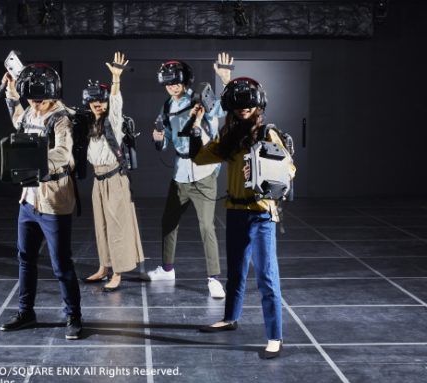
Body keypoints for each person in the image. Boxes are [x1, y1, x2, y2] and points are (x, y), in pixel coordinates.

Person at [192, 58, 296, 359]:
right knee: (236, 272)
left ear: (258, 105)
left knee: (266, 277)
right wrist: (195, 126)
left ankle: (275, 336)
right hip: (235, 212)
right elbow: (200, 157)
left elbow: (290, 170)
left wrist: (263, 168)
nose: (244, 109)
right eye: (238, 106)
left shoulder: (267, 134)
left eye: (248, 104)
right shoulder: (229, 135)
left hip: (261, 214)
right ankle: (230, 318)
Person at [0, 63, 82, 340]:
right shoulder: (31, 112)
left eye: (40, 100)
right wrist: (12, 92)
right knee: (25, 259)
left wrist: (33, 157)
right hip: (28, 200)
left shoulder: (61, 118)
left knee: (61, 264)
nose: (35, 104)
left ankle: (73, 316)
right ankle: (26, 312)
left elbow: (63, 153)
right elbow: (18, 120)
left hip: (54, 201)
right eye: (31, 99)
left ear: (52, 94)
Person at [144, 54, 232, 299]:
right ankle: (167, 269)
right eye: (168, 83)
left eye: (176, 82)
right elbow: (167, 139)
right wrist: (159, 139)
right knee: (168, 222)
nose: (172, 87)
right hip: (180, 174)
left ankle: (214, 279)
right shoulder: (166, 107)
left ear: (185, 81)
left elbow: (225, 107)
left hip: (204, 174)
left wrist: (226, 80)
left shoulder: (200, 99)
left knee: (207, 227)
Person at [81, 52, 145, 292]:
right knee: (101, 226)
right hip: (98, 180)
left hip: (114, 179)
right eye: (93, 101)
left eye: (102, 100)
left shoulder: (113, 121)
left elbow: (116, 103)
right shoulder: (91, 123)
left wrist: (116, 78)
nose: (98, 104)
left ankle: (117, 272)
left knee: (117, 226)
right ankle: (104, 267)